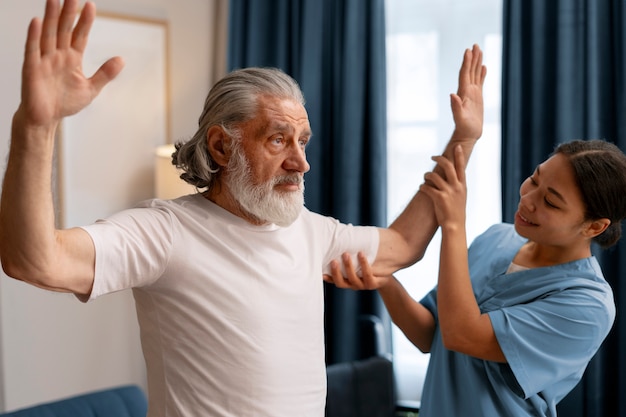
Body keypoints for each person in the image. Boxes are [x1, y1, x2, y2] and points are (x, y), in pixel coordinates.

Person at [0, 0, 486, 416]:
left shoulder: (311, 232)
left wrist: (462, 139)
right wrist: (36, 127)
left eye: (303, 141)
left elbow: (402, 246)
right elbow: (35, 261)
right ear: (220, 146)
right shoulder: (165, 232)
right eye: (278, 140)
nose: (301, 162)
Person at [326, 138, 626, 416]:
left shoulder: (588, 306)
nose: (528, 199)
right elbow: (431, 335)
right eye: (534, 179)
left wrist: (453, 225)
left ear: (594, 227)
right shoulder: (496, 238)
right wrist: (386, 281)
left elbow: (462, 335)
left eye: (551, 202)